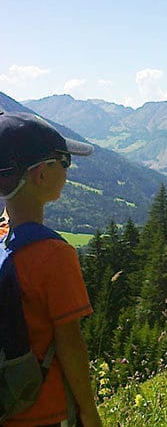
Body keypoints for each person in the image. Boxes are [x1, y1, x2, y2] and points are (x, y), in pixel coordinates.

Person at [0, 111, 102, 427]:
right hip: (45, 407)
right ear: (41, 175)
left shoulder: (3, 240)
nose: (68, 171)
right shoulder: (55, 254)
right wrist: (88, 410)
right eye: (64, 162)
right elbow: (70, 343)